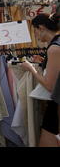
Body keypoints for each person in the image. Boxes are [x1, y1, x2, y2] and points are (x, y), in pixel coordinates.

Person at [21, 13, 60, 147]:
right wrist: (44, 63)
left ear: (41, 27)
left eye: (35, 31)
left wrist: (31, 69)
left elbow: (50, 86)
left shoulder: (54, 48)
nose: (35, 35)